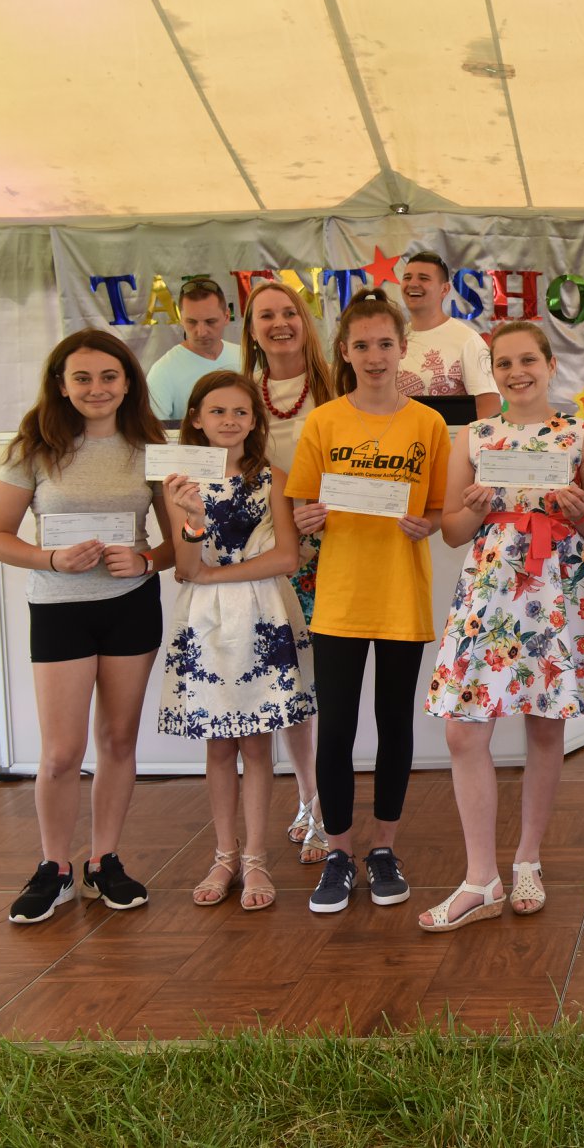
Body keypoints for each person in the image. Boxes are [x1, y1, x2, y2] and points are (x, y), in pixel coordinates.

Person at [418, 321, 584, 931]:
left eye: (527, 359)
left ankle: (528, 859)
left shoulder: (583, 435)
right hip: (489, 586)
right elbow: (453, 531)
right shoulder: (474, 436)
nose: (516, 372)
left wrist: (582, 512)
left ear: (551, 365)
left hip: (556, 583)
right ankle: (481, 877)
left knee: (545, 725)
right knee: (463, 732)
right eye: (503, 363)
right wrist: (472, 509)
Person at [0, 328, 176, 923]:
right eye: (83, 378)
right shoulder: (34, 449)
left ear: (128, 383)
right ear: (62, 386)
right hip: (59, 609)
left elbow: (178, 545)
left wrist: (146, 561)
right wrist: (50, 558)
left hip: (131, 606)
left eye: (109, 376)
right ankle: (54, 868)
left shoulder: (152, 448)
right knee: (62, 753)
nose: (97, 388)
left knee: (117, 742)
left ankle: (103, 861)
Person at [286, 288, 450, 915]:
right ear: (345, 351)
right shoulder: (324, 422)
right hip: (340, 598)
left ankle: (384, 848)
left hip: (402, 595)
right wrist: (308, 517)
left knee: (394, 725)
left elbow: (438, 509)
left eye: (386, 343)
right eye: (363, 345)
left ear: (403, 348)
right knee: (336, 729)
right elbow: (303, 507)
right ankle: (337, 852)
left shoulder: (428, 424)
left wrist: (428, 524)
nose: (375, 355)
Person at [158, 371, 315, 911]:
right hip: (205, 621)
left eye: (240, 412)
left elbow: (287, 557)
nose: (229, 421)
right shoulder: (179, 484)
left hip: (262, 614)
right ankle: (224, 856)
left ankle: (256, 858)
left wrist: (215, 575)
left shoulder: (273, 478)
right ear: (196, 419)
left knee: (256, 743)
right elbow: (185, 567)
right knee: (219, 744)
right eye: (218, 411)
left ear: (254, 420)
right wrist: (194, 523)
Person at [239, 280, 334, 865]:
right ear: (251, 331)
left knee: (331, 682)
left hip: (333, 551)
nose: (279, 323)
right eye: (265, 315)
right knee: (290, 685)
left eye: (289, 312)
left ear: (306, 320)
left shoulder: (338, 387)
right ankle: (309, 800)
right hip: (268, 555)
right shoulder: (239, 394)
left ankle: (332, 803)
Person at [399, 250, 499, 417]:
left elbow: (490, 406)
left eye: (423, 278)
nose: (413, 283)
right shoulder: (393, 340)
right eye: (407, 277)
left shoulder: (467, 340)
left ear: (444, 289)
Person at [147, 277, 244, 421]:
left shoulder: (246, 357)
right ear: (181, 319)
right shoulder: (162, 372)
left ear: (226, 316)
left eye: (210, 321)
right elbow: (154, 431)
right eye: (191, 322)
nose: (201, 332)